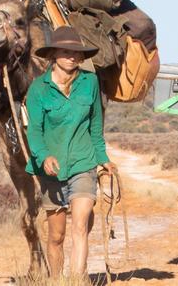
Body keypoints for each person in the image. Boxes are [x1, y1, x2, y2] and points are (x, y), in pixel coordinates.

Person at [25, 26, 116, 278]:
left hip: (82, 163)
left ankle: (78, 279)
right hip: (51, 171)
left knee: (80, 226)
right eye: (66, 52)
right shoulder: (38, 89)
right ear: (53, 54)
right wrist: (43, 156)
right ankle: (56, 280)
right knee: (56, 235)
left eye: (76, 53)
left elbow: (96, 127)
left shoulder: (90, 83)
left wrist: (103, 160)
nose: (72, 57)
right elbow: (34, 131)